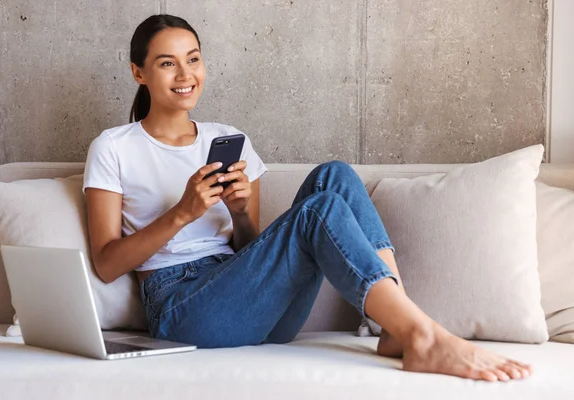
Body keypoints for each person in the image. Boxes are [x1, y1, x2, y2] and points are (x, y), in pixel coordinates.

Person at [83, 14, 532, 382]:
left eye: (193, 59)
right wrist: (183, 213)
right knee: (317, 212)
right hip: (181, 308)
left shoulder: (229, 139)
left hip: (249, 300)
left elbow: (247, 249)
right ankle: (423, 337)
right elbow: (106, 264)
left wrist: (238, 213)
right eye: (167, 63)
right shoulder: (114, 147)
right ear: (138, 72)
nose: (185, 75)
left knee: (333, 176)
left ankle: (395, 326)